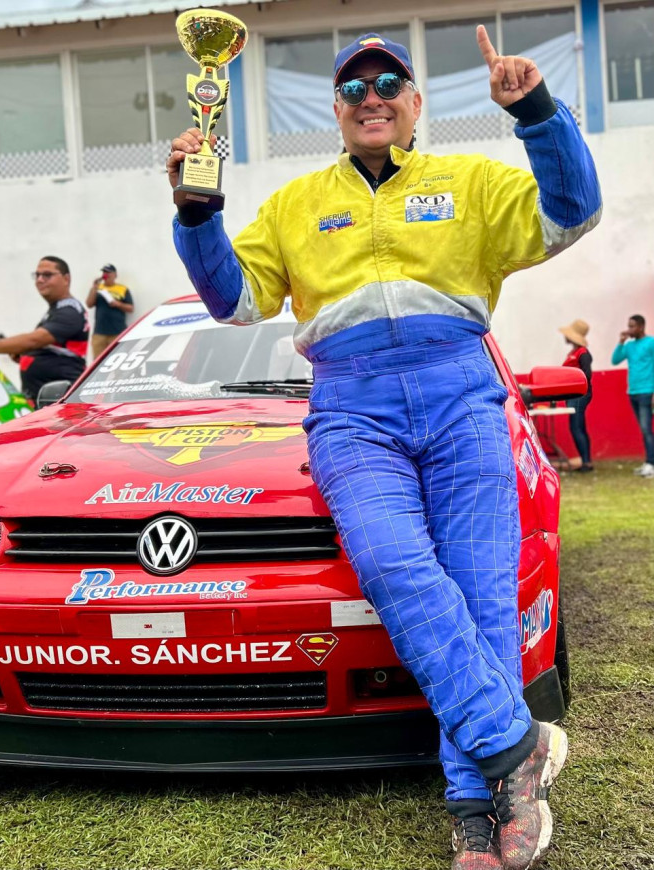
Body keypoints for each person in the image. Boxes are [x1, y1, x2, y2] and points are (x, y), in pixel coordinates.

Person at [167, 26, 601, 870]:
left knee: (481, 603)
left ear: (414, 101)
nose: (372, 95)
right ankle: (517, 745)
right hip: (352, 411)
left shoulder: (470, 181)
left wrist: (539, 114)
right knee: (395, 566)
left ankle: (479, 809)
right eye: (355, 87)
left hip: (460, 395)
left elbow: (572, 212)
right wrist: (195, 212)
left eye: (388, 82)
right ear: (336, 110)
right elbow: (232, 303)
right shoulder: (295, 205)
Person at [0, 256, 89, 403]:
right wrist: (24, 355)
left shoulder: (69, 311)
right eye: (37, 275)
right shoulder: (56, 310)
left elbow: (34, 340)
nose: (40, 280)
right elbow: (52, 351)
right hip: (44, 402)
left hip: (60, 404)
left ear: (66, 278)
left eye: (47, 275)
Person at [611, 314, 654, 477]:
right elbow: (615, 360)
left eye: (632, 326)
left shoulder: (651, 343)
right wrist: (621, 342)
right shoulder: (629, 346)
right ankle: (648, 462)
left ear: (641, 327)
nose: (629, 330)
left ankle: (651, 463)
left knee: (646, 429)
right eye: (628, 326)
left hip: (647, 391)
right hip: (633, 392)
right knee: (644, 430)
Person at [559, 319, 594, 472]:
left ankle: (586, 463)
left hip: (579, 395)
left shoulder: (583, 353)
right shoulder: (575, 352)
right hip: (574, 394)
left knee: (576, 428)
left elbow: (587, 374)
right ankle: (586, 461)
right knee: (579, 427)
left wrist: (572, 382)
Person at [85, 263, 134, 359]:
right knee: (98, 361)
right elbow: (89, 304)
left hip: (117, 332)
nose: (105, 274)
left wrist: (118, 304)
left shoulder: (123, 289)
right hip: (99, 333)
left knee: (118, 360)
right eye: (104, 272)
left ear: (115, 275)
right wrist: (94, 287)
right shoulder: (98, 288)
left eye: (108, 272)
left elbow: (130, 308)